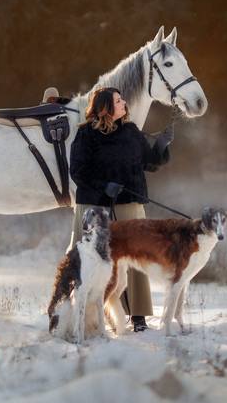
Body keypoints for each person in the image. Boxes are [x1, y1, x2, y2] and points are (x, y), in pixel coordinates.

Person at [68, 86, 172, 332]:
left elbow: (151, 162)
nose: (124, 102)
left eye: (122, 99)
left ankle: (138, 317)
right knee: (92, 261)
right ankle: (83, 316)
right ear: (105, 106)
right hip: (95, 209)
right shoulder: (86, 134)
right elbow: (78, 172)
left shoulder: (131, 130)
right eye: (118, 100)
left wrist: (162, 145)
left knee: (137, 257)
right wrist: (104, 187)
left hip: (130, 205)